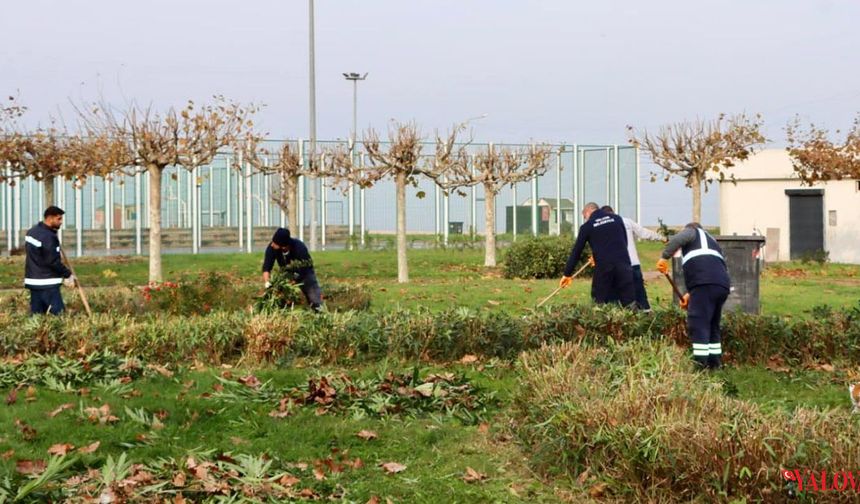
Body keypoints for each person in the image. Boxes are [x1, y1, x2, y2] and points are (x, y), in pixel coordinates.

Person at [657, 223, 731, 369]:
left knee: (699, 322)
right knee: (712, 324)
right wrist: (690, 294)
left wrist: (664, 258)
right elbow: (710, 267)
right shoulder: (712, 240)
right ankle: (714, 364)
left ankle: (700, 365)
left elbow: (676, 240)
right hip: (721, 285)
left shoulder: (692, 231)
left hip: (704, 283)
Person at [559, 202, 636, 307]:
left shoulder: (587, 226)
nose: (586, 219)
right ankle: (633, 321)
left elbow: (576, 252)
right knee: (629, 301)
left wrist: (567, 274)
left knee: (599, 301)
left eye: (584, 216)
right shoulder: (617, 219)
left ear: (588, 211)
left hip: (604, 268)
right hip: (623, 265)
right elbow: (624, 241)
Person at [601, 205, 665, 311]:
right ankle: (646, 314)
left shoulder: (603, 226)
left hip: (616, 266)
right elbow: (644, 233)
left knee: (614, 294)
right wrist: (662, 238)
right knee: (639, 292)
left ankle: (618, 316)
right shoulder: (627, 221)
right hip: (633, 263)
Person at [24, 206, 75, 315]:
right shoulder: (48, 237)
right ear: (50, 218)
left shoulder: (32, 232)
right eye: (59, 219)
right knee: (58, 316)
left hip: (33, 281)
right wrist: (67, 274)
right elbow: (52, 261)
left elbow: (37, 256)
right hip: (48, 283)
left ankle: (39, 332)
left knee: (37, 316)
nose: (61, 222)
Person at [262, 227, 323, 311]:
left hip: (305, 272)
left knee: (313, 294)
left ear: (283, 246)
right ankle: (283, 312)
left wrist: (293, 281)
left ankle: (319, 311)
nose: (272, 244)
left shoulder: (299, 248)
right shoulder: (271, 248)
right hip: (286, 273)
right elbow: (266, 267)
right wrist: (267, 282)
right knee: (281, 295)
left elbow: (304, 269)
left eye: (275, 243)